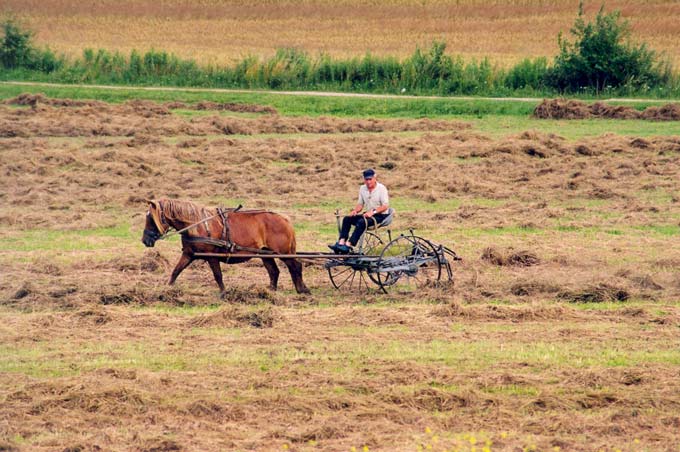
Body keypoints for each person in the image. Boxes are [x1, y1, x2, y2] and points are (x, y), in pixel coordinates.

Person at [330, 168, 390, 254]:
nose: (368, 182)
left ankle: (348, 245)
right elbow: (360, 204)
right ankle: (341, 242)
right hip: (367, 215)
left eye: (370, 179)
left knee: (362, 222)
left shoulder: (381, 188)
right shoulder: (362, 188)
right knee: (347, 219)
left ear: (374, 178)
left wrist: (372, 212)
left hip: (380, 215)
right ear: (364, 179)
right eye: (366, 180)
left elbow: (385, 206)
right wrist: (355, 211)